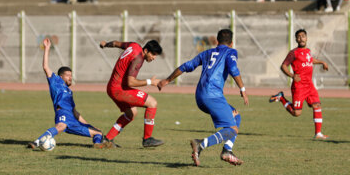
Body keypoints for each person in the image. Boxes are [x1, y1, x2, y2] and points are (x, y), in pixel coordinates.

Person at [158, 29, 249, 166]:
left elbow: (186, 66)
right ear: (231, 43)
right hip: (213, 96)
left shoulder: (207, 53)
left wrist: (167, 80)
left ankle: (227, 151)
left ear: (217, 42)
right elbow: (233, 69)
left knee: (236, 116)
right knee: (232, 130)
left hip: (200, 96)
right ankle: (201, 144)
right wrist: (242, 88)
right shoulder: (231, 52)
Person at [27, 38, 103, 150]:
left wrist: (88, 125)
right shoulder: (55, 82)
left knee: (98, 133)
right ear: (61, 76)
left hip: (72, 119)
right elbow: (45, 67)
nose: (70, 77)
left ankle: (97, 146)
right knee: (61, 126)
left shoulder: (69, 92)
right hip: (62, 112)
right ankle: (37, 142)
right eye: (67, 75)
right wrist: (47, 49)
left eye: (71, 75)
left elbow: (75, 112)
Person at [98, 40, 164, 148]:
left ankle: (107, 139)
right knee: (152, 103)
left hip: (112, 87)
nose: (154, 58)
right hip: (119, 89)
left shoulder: (133, 45)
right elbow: (131, 82)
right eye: (153, 54)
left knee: (131, 113)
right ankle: (147, 139)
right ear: (146, 50)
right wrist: (150, 82)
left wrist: (105, 45)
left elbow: (115, 43)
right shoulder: (138, 59)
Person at [269, 29, 329, 140]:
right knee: (296, 113)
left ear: (306, 38)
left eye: (303, 36)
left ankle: (318, 133)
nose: (301, 38)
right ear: (296, 39)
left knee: (317, 105)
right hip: (299, 86)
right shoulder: (293, 53)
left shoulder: (308, 51)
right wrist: (292, 76)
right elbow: (283, 66)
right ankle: (281, 97)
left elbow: (310, 60)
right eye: (299, 36)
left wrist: (322, 62)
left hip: (309, 85)